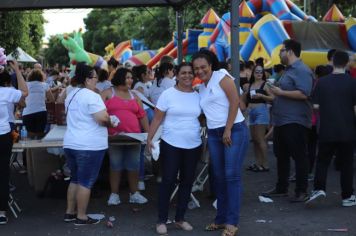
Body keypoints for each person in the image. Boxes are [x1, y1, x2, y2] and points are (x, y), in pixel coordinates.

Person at [192, 52, 248, 236]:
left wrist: (228, 129)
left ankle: (232, 223)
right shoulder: (201, 88)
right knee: (218, 177)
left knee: (231, 176)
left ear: (211, 65)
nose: (200, 71)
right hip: (214, 134)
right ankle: (221, 219)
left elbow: (235, 102)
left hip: (234, 130)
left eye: (203, 67)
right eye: (196, 68)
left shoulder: (221, 76)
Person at [147, 62, 202, 235]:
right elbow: (156, 119)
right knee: (168, 181)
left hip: (193, 144)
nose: (187, 76)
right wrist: (149, 138)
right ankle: (161, 220)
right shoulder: (167, 94)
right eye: (183, 73)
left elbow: (201, 118)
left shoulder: (198, 94)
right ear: (176, 75)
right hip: (171, 143)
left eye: (190, 73)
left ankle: (180, 219)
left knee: (187, 182)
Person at [262, 39, 313, 202]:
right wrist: (271, 93)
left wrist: (280, 92)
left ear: (290, 51)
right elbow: (282, 93)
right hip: (282, 120)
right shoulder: (288, 70)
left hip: (295, 120)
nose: (279, 54)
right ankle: (281, 187)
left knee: (299, 156)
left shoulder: (302, 70)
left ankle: (301, 190)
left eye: (281, 50)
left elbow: (304, 93)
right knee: (281, 155)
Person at [63, 62, 111, 225]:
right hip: (89, 145)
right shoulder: (92, 96)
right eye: (95, 77)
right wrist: (112, 121)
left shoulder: (71, 94)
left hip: (71, 143)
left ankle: (70, 212)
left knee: (75, 179)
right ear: (88, 79)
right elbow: (102, 118)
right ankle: (81, 216)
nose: (97, 80)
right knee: (86, 182)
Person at [306, 50, 356, 207]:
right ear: (347, 63)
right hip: (348, 130)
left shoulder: (322, 82)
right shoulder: (353, 82)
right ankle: (347, 197)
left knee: (322, 161)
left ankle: (319, 189)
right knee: (347, 164)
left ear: (332, 62)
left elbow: (315, 106)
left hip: (327, 129)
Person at [103, 68, 149, 206]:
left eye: (131, 78)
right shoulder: (107, 93)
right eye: (128, 77)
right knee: (115, 165)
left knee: (133, 166)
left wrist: (148, 135)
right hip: (114, 138)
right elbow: (98, 112)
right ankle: (114, 194)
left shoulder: (135, 95)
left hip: (134, 138)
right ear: (120, 78)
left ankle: (134, 193)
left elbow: (143, 116)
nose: (131, 80)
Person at [0, 60, 28, 225]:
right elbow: (25, 91)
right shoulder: (7, 92)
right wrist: (17, 70)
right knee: (3, 173)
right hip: (3, 134)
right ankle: (1, 212)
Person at [244, 65, 274, 172]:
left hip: (261, 111)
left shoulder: (265, 84)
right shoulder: (250, 85)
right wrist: (246, 110)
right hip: (251, 112)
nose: (259, 73)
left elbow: (273, 97)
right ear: (253, 73)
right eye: (256, 71)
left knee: (260, 139)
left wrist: (262, 96)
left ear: (263, 73)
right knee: (255, 140)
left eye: (261, 72)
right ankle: (258, 163)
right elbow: (246, 99)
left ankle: (265, 164)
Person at [22, 69, 55, 138]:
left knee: (29, 135)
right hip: (41, 112)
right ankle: (37, 148)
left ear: (30, 76)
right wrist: (44, 101)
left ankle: (29, 148)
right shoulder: (45, 85)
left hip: (28, 112)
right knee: (40, 135)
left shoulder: (26, 85)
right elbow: (52, 99)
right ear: (41, 76)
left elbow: (21, 98)